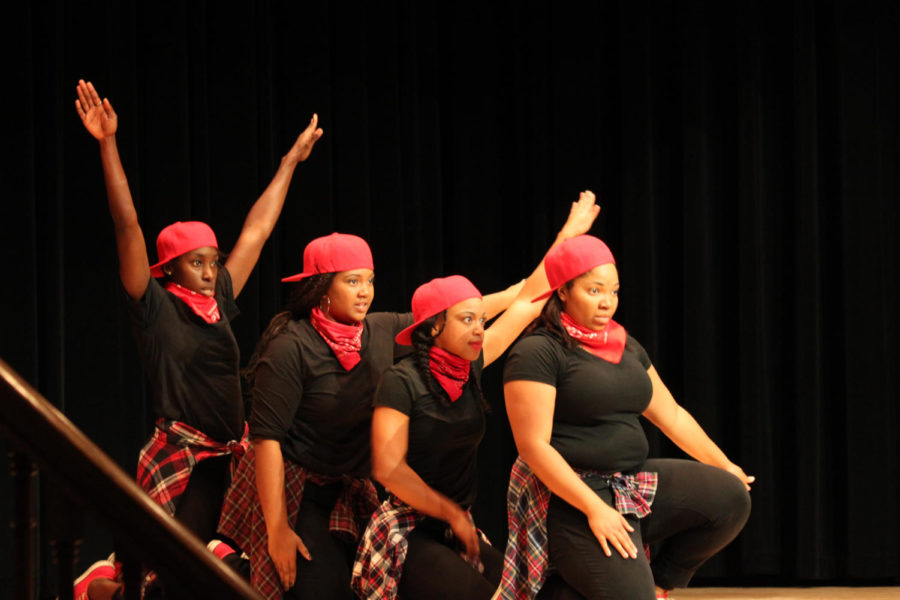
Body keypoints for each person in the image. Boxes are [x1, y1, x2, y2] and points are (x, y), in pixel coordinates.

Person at [72, 79, 322, 600]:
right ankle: (102, 587)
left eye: (212, 261)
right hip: (189, 460)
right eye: (198, 263)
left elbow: (256, 232)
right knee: (173, 577)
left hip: (232, 455)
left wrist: (289, 164)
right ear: (171, 270)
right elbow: (127, 225)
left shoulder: (219, 303)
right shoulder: (155, 310)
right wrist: (107, 144)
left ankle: (115, 578)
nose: (211, 271)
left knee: (208, 573)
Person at [216, 230, 527, 600]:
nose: (365, 291)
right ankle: (236, 562)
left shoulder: (378, 330)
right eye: (352, 281)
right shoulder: (291, 347)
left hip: (349, 486)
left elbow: (445, 314)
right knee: (316, 587)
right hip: (296, 488)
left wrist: (519, 292)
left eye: (369, 280)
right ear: (322, 288)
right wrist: (277, 529)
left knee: (366, 582)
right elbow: (267, 441)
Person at [350, 191, 599, 600]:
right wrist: (450, 513)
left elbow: (528, 301)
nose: (480, 329)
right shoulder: (402, 381)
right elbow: (389, 469)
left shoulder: (471, 367)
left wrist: (567, 236)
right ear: (432, 328)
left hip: (455, 526)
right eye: (467, 320)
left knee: (533, 593)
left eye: (481, 320)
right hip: (409, 530)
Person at [500, 234, 754, 600]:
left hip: (629, 483)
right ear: (563, 292)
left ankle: (658, 585)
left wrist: (724, 464)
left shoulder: (624, 344)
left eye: (614, 291)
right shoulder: (537, 351)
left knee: (730, 498)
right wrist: (594, 507)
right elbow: (533, 447)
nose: (607, 302)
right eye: (594, 291)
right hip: (571, 496)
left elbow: (672, 415)